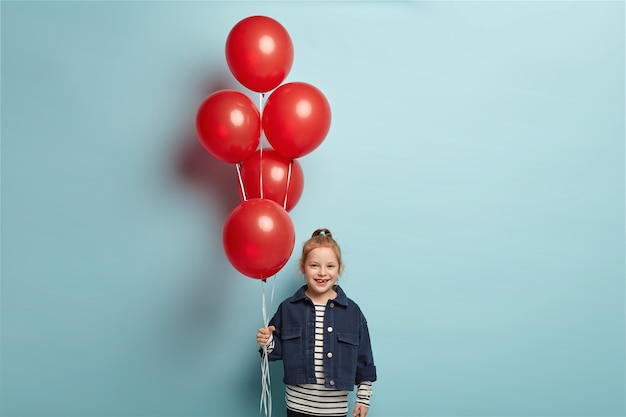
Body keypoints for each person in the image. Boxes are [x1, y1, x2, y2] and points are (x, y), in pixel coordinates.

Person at [257, 228, 377, 417]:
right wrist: (268, 341)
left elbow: (364, 357)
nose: (322, 272)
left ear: (339, 268)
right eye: (314, 265)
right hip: (297, 407)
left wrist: (363, 397)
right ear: (303, 266)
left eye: (330, 266)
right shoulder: (288, 308)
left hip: (334, 410)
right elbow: (276, 352)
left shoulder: (352, 312)